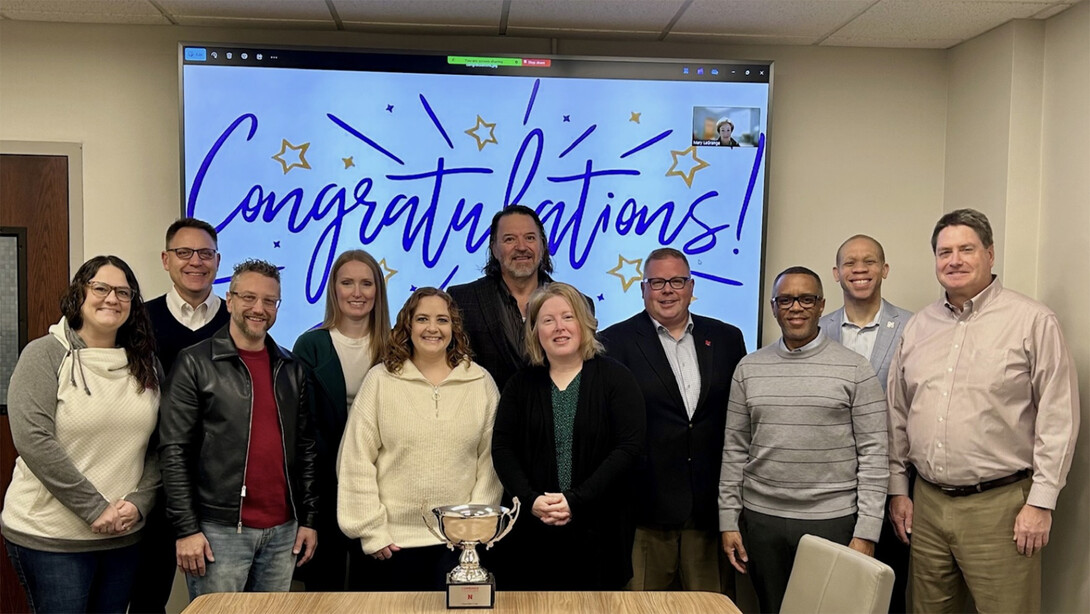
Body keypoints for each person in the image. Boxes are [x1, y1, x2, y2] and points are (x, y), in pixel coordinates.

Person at [888, 209, 1080, 614]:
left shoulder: (1031, 320)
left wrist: (1041, 502)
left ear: (990, 254)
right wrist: (898, 490)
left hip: (1002, 508)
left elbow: (1058, 417)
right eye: (944, 252)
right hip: (927, 504)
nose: (953, 260)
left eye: (966, 249)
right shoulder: (918, 327)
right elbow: (898, 415)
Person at [719, 266, 888, 614]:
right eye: (786, 300)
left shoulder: (855, 369)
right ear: (773, 307)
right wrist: (728, 520)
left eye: (806, 299)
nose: (796, 307)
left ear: (821, 305)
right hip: (761, 520)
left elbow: (875, 453)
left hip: (833, 520)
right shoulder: (748, 368)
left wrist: (867, 532)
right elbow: (734, 449)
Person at [2, 256, 161, 613]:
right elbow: (33, 440)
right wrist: (94, 508)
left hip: (122, 536)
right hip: (51, 539)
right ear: (79, 294)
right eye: (100, 288)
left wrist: (140, 502)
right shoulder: (44, 354)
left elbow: (159, 446)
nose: (112, 299)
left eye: (123, 292)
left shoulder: (145, 363)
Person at [159, 259, 319, 599]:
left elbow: (305, 448)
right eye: (248, 298)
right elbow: (174, 451)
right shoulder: (194, 363)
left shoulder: (292, 368)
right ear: (229, 300)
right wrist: (186, 529)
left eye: (269, 301)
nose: (258, 308)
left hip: (283, 531)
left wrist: (307, 520)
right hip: (219, 531)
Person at [599, 248, 746, 593]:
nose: (668, 290)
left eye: (677, 281)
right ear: (643, 288)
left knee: (709, 607)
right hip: (645, 513)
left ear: (691, 286)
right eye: (658, 282)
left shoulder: (727, 339)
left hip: (709, 513)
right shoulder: (613, 343)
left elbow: (738, 421)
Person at [337, 287, 503, 591]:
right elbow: (356, 459)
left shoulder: (480, 383)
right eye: (422, 319)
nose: (432, 328)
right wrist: (371, 531)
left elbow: (490, 462)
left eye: (442, 320)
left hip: (456, 548)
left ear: (453, 328)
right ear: (407, 326)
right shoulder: (380, 381)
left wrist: (471, 531)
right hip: (391, 546)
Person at [491, 282, 646, 590]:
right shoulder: (520, 385)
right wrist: (531, 500)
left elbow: (629, 448)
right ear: (535, 330)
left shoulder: (616, 378)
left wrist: (577, 500)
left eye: (568, 317)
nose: (559, 327)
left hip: (601, 531)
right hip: (532, 534)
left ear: (584, 324)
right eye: (547, 320)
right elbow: (503, 449)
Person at [133, 217, 229, 613]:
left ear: (217, 261)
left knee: (220, 600)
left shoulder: (238, 319)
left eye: (205, 253)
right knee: (146, 596)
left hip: (219, 483)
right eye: (184, 252)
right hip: (153, 476)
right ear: (165, 259)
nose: (195, 262)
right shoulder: (138, 320)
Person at [818, 234, 913, 613]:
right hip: (830, 485)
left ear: (884, 269)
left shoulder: (914, 328)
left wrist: (898, 487)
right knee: (832, 590)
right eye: (851, 262)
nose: (860, 269)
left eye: (870, 261)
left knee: (886, 589)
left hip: (893, 482)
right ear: (836, 273)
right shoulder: (814, 329)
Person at [291, 250, 391, 592]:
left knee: (377, 588)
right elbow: (301, 425)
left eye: (366, 283)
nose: (357, 292)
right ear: (333, 289)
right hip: (324, 484)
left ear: (379, 290)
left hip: (381, 488)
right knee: (325, 587)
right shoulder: (310, 345)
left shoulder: (394, 347)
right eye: (347, 283)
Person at [447, 204, 591, 392]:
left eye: (530, 238)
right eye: (509, 239)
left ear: (543, 246)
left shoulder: (579, 304)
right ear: (494, 249)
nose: (521, 247)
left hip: (557, 417)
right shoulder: (461, 300)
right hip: (489, 418)